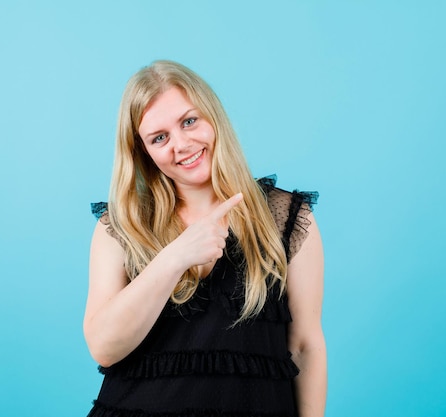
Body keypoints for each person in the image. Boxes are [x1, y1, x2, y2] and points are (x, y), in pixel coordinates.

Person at [83, 60, 326, 417]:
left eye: (189, 121)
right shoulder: (122, 226)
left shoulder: (286, 218)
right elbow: (104, 347)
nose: (181, 144)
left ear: (213, 116)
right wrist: (174, 257)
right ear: (143, 151)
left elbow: (306, 346)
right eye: (159, 137)